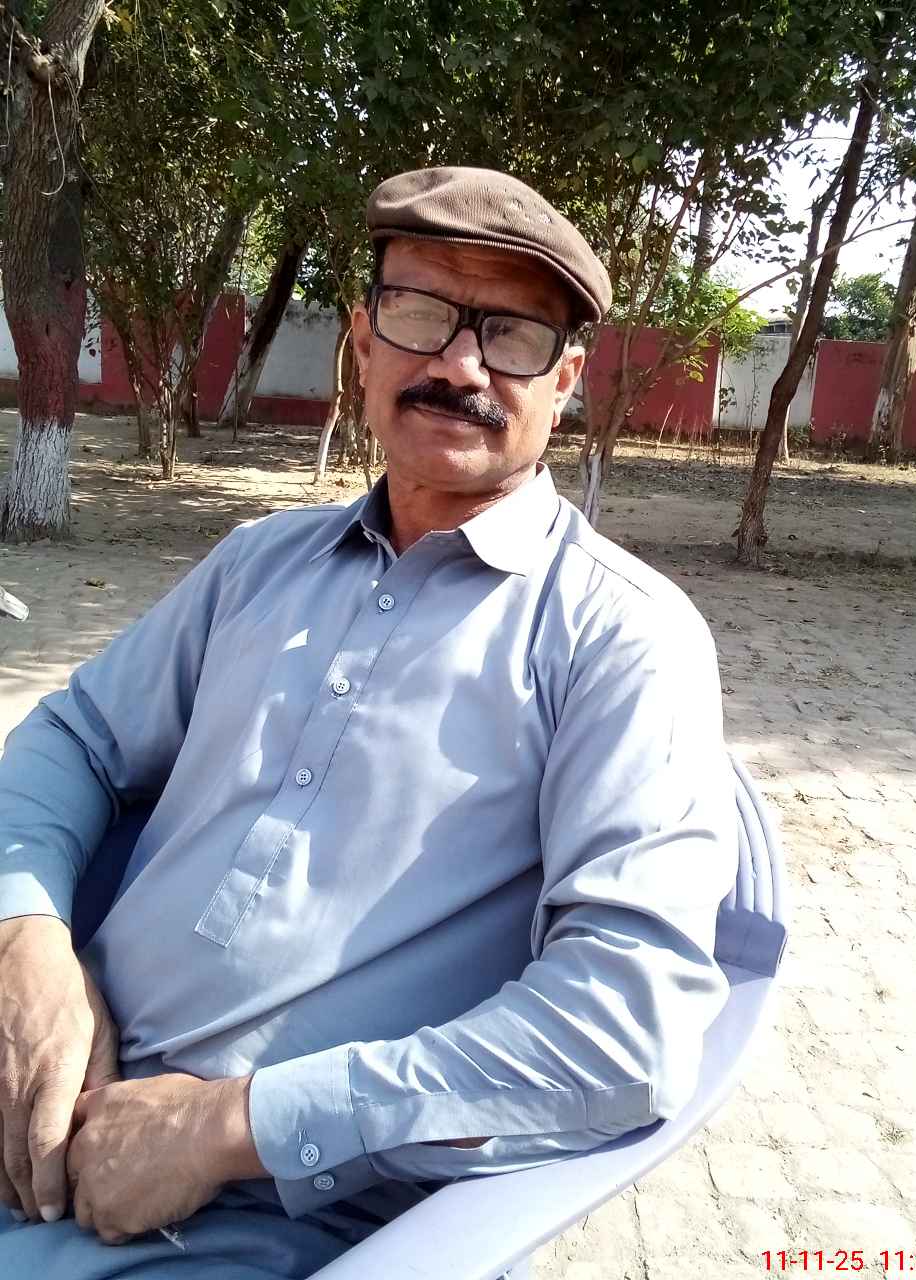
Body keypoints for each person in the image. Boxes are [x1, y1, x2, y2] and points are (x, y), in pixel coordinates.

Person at [0, 166, 738, 1278]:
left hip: (261, 1213)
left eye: (512, 333)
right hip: (42, 1069)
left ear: (567, 379)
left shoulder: (622, 639)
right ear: (361, 338)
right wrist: (27, 947)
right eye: (421, 311)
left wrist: (227, 1126)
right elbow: (73, 739)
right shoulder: (258, 562)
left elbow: (625, 1025)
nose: (460, 365)